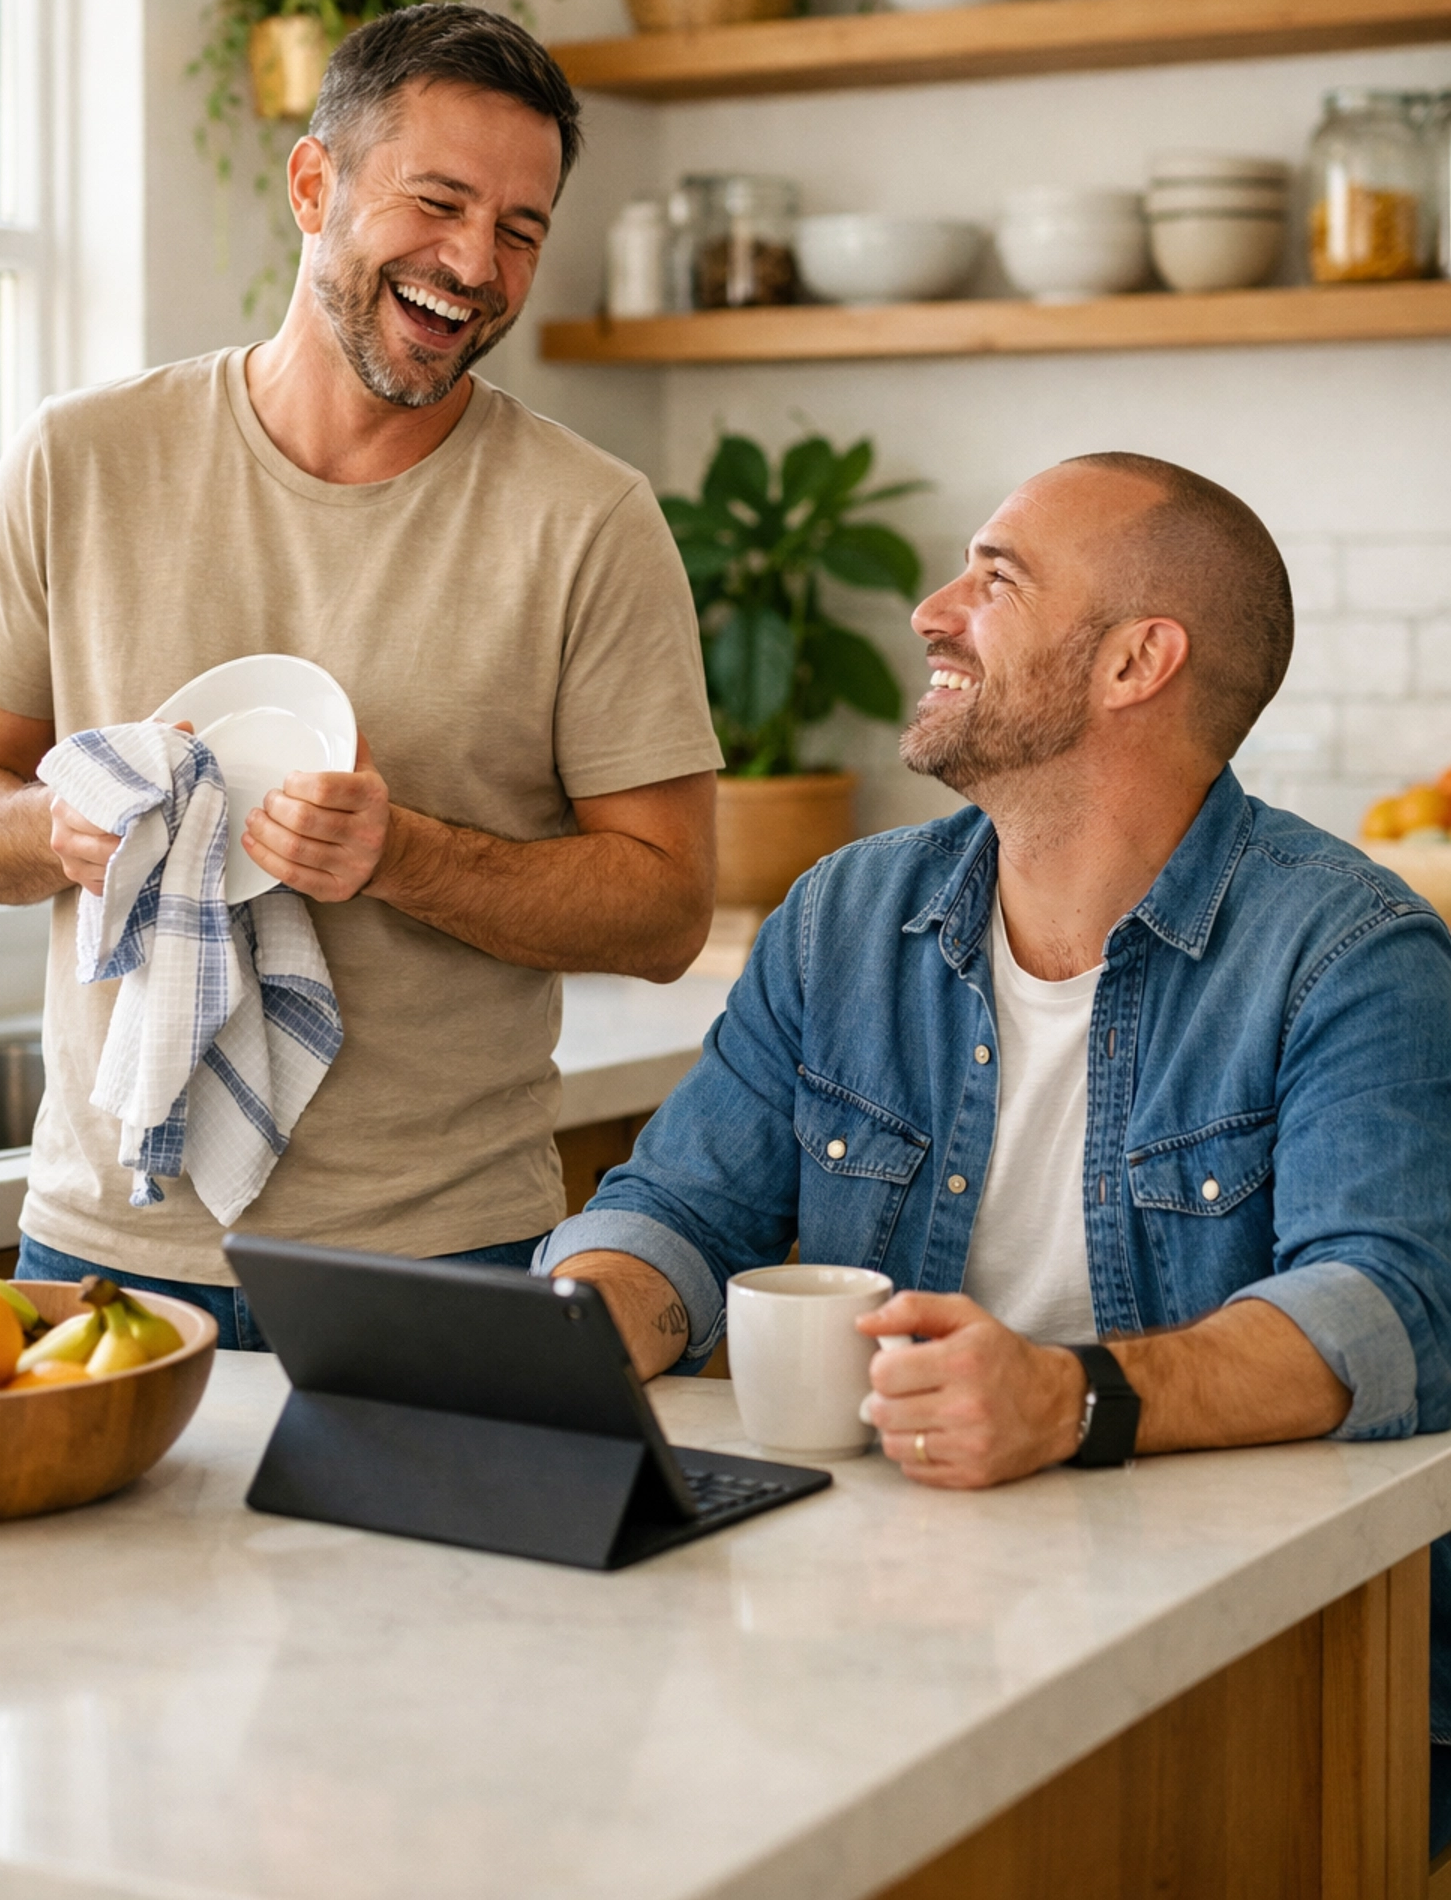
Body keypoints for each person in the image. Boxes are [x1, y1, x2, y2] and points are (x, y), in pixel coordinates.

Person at [533, 451, 1451, 1844]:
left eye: (998, 577)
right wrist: (571, 1328)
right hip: (872, 1619)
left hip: (1236, 1652)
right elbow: (678, 1206)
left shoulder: (1352, 955)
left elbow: (1390, 1312)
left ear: (1138, 661)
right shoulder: (845, 914)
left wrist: (1068, 1400)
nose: (931, 610)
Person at [0, 4, 721, 1347]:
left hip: (438, 1257)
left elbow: (665, 907)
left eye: (520, 230)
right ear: (313, 185)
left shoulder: (589, 520)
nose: (473, 263)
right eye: (439, 202)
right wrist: (59, 825)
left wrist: (404, 855)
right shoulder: (83, 460)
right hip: (98, 1243)